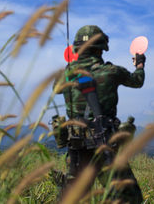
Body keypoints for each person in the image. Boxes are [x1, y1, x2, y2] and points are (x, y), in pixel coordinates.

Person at [54, 25, 145, 203]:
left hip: (76, 148)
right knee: (128, 198)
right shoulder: (112, 72)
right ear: (101, 48)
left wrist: (71, 65)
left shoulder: (67, 75)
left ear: (76, 48)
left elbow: (56, 89)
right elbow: (137, 81)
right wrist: (140, 64)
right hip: (105, 145)